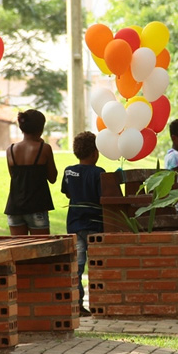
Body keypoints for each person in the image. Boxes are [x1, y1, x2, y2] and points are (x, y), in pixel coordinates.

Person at [61, 131, 105, 317]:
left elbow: (68, 193)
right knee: (97, 265)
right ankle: (99, 303)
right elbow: (103, 197)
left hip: (75, 225)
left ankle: (77, 305)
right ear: (95, 152)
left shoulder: (68, 171)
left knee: (77, 267)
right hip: (95, 226)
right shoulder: (98, 173)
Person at [4, 109, 58, 235]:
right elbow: (52, 177)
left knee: (18, 251)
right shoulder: (44, 149)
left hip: (14, 208)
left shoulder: (10, 150)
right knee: (40, 251)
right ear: (41, 128)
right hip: (37, 207)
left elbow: (13, 176)